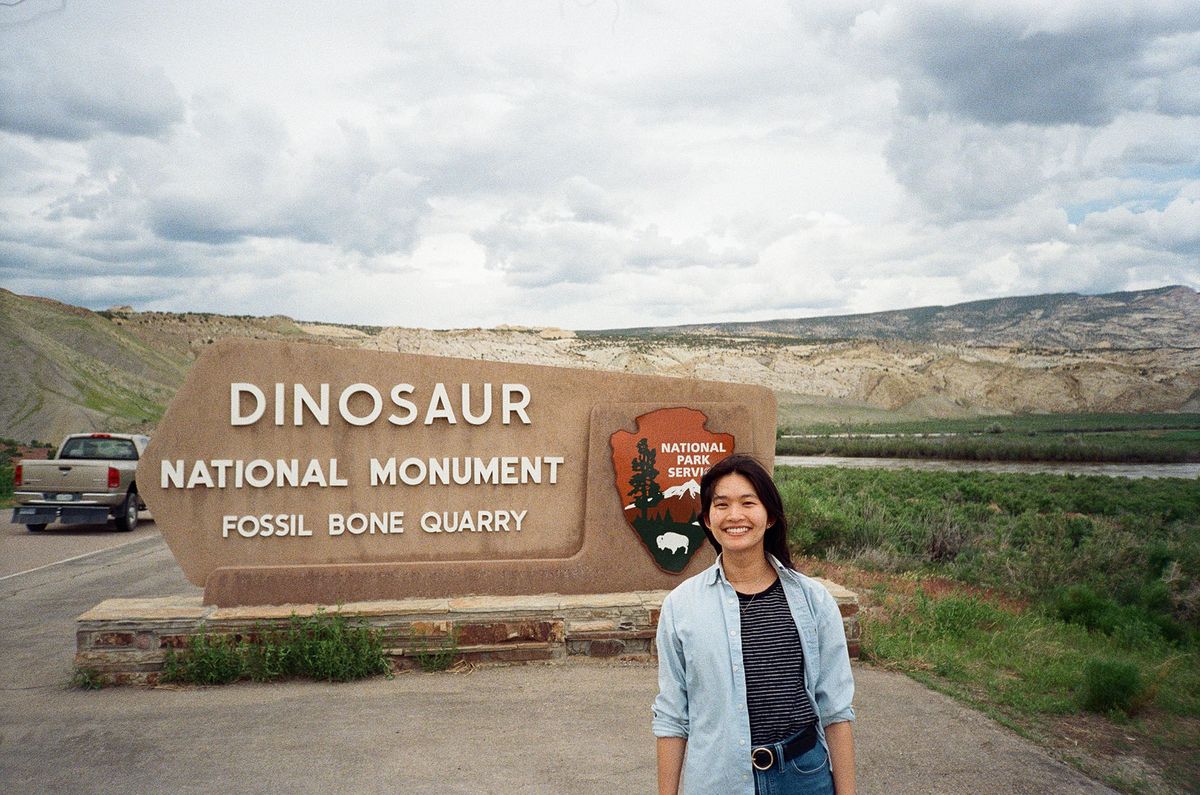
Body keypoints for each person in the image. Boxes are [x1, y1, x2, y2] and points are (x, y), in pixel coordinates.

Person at [652, 454, 856, 795]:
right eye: (722, 505)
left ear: (770, 515)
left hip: (804, 775)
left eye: (748, 502)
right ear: (707, 519)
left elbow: (835, 709)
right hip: (719, 780)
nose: (735, 515)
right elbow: (672, 716)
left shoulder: (813, 601)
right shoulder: (681, 606)